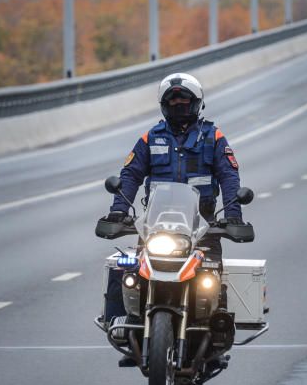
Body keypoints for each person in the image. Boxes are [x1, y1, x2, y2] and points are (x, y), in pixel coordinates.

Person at [104, 73, 244, 263]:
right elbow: (130, 175)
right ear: (164, 105)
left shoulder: (214, 137)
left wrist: (233, 214)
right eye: (173, 100)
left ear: (196, 101)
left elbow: (229, 176)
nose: (178, 103)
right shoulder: (150, 138)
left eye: (183, 99)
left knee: (213, 283)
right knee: (130, 278)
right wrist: (119, 210)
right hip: (155, 225)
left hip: (203, 224)